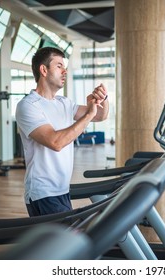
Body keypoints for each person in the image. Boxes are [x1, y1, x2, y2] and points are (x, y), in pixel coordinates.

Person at [15, 47, 109, 217]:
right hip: (43, 192)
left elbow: (100, 116)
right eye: (59, 66)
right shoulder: (28, 105)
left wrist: (102, 99)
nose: (64, 70)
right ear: (43, 70)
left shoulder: (64, 103)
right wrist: (89, 113)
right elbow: (55, 142)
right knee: (66, 240)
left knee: (55, 242)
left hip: (62, 188)